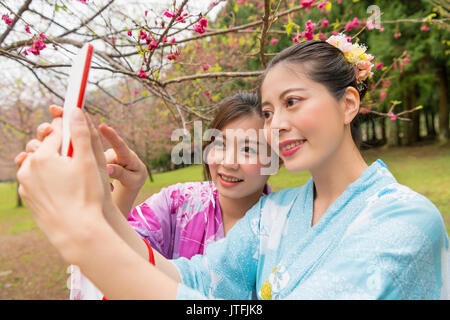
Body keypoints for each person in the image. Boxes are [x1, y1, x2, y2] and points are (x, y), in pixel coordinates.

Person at [16, 36, 449, 300]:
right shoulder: (274, 214)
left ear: (348, 103)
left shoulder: (405, 222)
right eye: (268, 109)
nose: (276, 124)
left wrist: (81, 235)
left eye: (292, 102)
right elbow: (197, 282)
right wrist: (100, 204)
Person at [15, 91, 273, 299]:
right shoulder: (179, 201)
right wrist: (124, 189)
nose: (228, 162)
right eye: (220, 145)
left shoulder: (284, 225)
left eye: (248, 149)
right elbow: (117, 253)